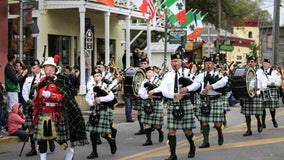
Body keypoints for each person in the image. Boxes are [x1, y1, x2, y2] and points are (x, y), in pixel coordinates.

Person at [32, 57, 88, 160]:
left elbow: (65, 97)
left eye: (49, 67)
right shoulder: (42, 81)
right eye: (45, 67)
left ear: (54, 68)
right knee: (41, 140)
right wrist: (35, 113)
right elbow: (37, 100)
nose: (46, 69)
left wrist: (51, 95)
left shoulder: (61, 80)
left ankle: (69, 151)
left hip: (56, 114)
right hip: (43, 114)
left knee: (59, 139)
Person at [149, 52, 196, 160]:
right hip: (172, 103)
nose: (174, 63)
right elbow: (163, 89)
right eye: (172, 61)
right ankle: (173, 154)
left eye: (176, 61)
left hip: (185, 103)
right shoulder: (167, 75)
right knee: (171, 130)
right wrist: (173, 94)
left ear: (181, 62)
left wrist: (187, 89)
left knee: (187, 130)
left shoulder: (188, 73)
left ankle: (192, 146)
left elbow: (196, 85)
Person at [191, 57, 228, 148]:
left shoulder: (219, 74)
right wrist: (199, 91)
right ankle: (206, 141)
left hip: (215, 99)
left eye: (210, 63)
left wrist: (212, 86)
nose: (208, 65)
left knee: (217, 123)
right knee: (204, 121)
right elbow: (195, 85)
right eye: (206, 63)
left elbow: (224, 82)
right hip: (204, 100)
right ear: (204, 65)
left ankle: (219, 132)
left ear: (213, 65)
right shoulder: (199, 75)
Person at [22, 59, 55, 157]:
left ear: (39, 68)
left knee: (45, 127)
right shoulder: (28, 80)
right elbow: (24, 91)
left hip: (41, 106)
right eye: (31, 68)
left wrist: (37, 101)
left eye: (35, 67)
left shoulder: (45, 79)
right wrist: (29, 101)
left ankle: (50, 141)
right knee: (30, 127)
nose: (33, 70)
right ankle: (33, 149)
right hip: (30, 105)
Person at [85, 69, 117, 159]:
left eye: (98, 76)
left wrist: (101, 99)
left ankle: (111, 141)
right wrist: (92, 103)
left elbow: (111, 97)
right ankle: (94, 152)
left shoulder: (104, 86)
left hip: (103, 110)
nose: (96, 78)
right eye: (95, 76)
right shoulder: (92, 88)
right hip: (95, 110)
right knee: (92, 133)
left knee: (103, 134)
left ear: (101, 77)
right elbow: (87, 98)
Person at [240, 56, 267, 136]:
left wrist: (262, 87)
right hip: (247, 93)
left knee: (257, 112)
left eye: (252, 61)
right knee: (247, 113)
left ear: (255, 63)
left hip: (256, 93)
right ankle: (249, 130)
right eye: (249, 61)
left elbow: (265, 80)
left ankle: (259, 122)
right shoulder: (244, 71)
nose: (250, 63)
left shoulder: (259, 71)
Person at [138, 66, 164, 146]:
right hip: (147, 102)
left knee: (156, 124)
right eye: (147, 72)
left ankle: (160, 131)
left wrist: (154, 92)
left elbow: (162, 90)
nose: (148, 74)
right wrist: (146, 96)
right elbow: (140, 92)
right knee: (147, 122)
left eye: (150, 72)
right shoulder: (143, 82)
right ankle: (148, 140)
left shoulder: (158, 81)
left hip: (156, 102)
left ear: (153, 73)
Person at [261, 58, 281, 128]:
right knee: (262, 107)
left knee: (272, 107)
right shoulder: (260, 71)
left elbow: (279, 82)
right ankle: (263, 122)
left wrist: (274, 83)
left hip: (272, 89)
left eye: (266, 64)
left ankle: (273, 119)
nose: (265, 65)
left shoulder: (274, 72)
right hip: (263, 90)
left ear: (269, 65)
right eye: (264, 64)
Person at [133, 58, 150, 135]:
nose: (143, 65)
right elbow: (135, 82)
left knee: (149, 111)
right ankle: (141, 128)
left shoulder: (150, 71)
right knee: (139, 112)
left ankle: (150, 126)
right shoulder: (138, 72)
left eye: (145, 63)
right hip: (139, 94)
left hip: (148, 95)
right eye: (142, 63)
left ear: (148, 64)